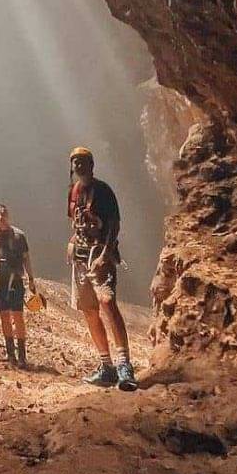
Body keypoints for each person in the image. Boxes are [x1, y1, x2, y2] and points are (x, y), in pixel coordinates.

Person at [67, 147, 137, 390]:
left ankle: (124, 365)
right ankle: (106, 366)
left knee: (107, 301)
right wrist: (71, 242)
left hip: (99, 255)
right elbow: (74, 221)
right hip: (80, 257)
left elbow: (114, 225)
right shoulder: (74, 191)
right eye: (74, 161)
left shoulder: (104, 191)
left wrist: (106, 254)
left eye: (82, 161)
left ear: (91, 164)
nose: (78, 165)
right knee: (88, 310)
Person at [0, 180, 37, 367]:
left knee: (17, 316)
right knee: (4, 315)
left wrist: (32, 279)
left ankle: (22, 356)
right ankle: (10, 353)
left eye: (4, 214)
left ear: (8, 216)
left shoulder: (19, 235)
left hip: (15, 279)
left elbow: (26, 258)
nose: (1, 217)